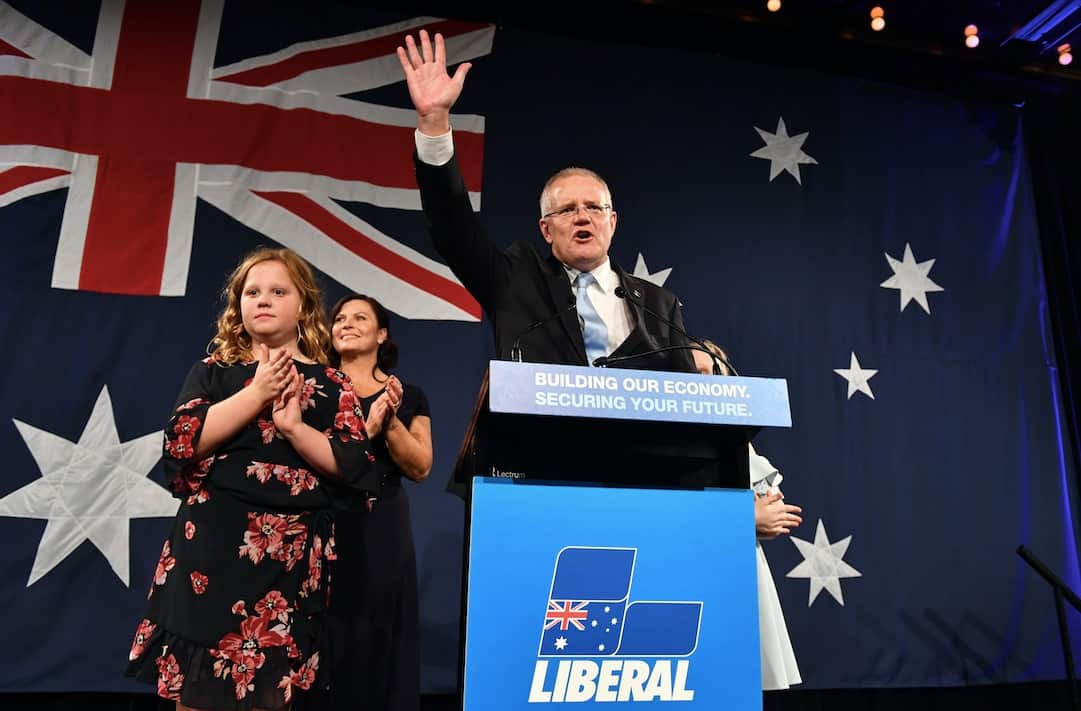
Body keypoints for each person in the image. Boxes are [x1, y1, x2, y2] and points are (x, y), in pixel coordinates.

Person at [126, 247, 401, 710]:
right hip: (210, 556)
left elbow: (354, 469)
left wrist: (295, 428)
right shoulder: (214, 373)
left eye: (278, 291)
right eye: (252, 292)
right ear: (239, 306)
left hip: (289, 564)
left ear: (303, 306)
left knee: (270, 697)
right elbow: (181, 444)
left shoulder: (334, 385)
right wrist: (257, 393)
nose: (263, 300)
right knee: (200, 694)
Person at [396, 29, 696, 373]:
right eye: (567, 210)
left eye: (594, 207)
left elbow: (687, 397)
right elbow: (452, 228)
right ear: (546, 229)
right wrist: (434, 122)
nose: (582, 217)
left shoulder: (660, 304)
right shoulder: (515, 281)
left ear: (612, 222)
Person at [303, 295, 432, 711]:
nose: (346, 323)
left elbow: (421, 467)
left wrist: (388, 420)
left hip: (382, 526)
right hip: (320, 519)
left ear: (382, 335)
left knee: (378, 634)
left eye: (360, 317)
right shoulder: (312, 388)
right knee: (323, 632)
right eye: (339, 318)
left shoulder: (408, 395)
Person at [693, 342, 803, 691]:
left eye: (714, 373)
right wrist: (742, 517)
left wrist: (756, 513)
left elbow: (770, 505)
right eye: (695, 374)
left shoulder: (736, 441)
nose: (705, 384)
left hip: (737, 568)